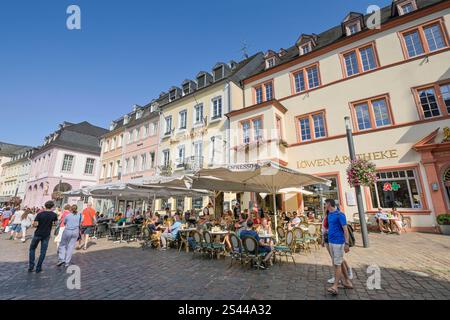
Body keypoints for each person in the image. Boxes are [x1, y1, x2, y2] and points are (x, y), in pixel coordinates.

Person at [324, 199, 353, 296]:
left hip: (338, 242)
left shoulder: (340, 215)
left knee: (337, 264)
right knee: (337, 262)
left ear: (329, 204)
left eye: (325, 204)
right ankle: (347, 282)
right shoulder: (329, 215)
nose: (324, 205)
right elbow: (329, 227)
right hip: (331, 241)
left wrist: (347, 243)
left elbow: (345, 230)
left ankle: (335, 286)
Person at [28, 201, 58, 273]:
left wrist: (36, 224)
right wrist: (50, 224)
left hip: (38, 233)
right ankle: (38, 268)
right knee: (43, 251)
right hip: (46, 234)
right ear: (52, 206)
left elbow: (35, 224)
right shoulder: (54, 215)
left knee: (32, 249)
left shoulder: (40, 214)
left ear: (45, 206)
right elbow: (56, 223)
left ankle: (31, 266)